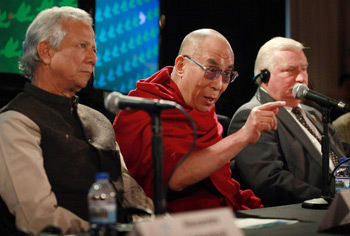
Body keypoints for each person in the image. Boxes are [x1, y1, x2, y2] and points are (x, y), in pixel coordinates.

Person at [0, 6, 153, 235]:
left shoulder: (99, 120)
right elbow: (38, 219)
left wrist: (153, 225)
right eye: (82, 46)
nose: (93, 59)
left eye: (94, 49)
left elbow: (130, 191)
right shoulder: (15, 121)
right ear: (46, 52)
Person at [112, 29, 286, 213]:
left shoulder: (202, 108)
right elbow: (175, 177)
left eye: (227, 74)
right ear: (180, 65)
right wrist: (243, 136)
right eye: (211, 71)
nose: (218, 85)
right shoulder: (145, 108)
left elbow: (220, 181)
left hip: (220, 213)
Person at [228, 37, 347, 207]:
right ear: (264, 75)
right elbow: (269, 180)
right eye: (290, 70)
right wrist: (330, 199)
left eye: (304, 69)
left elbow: (341, 153)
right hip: (309, 211)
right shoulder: (253, 115)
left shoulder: (312, 112)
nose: (301, 78)